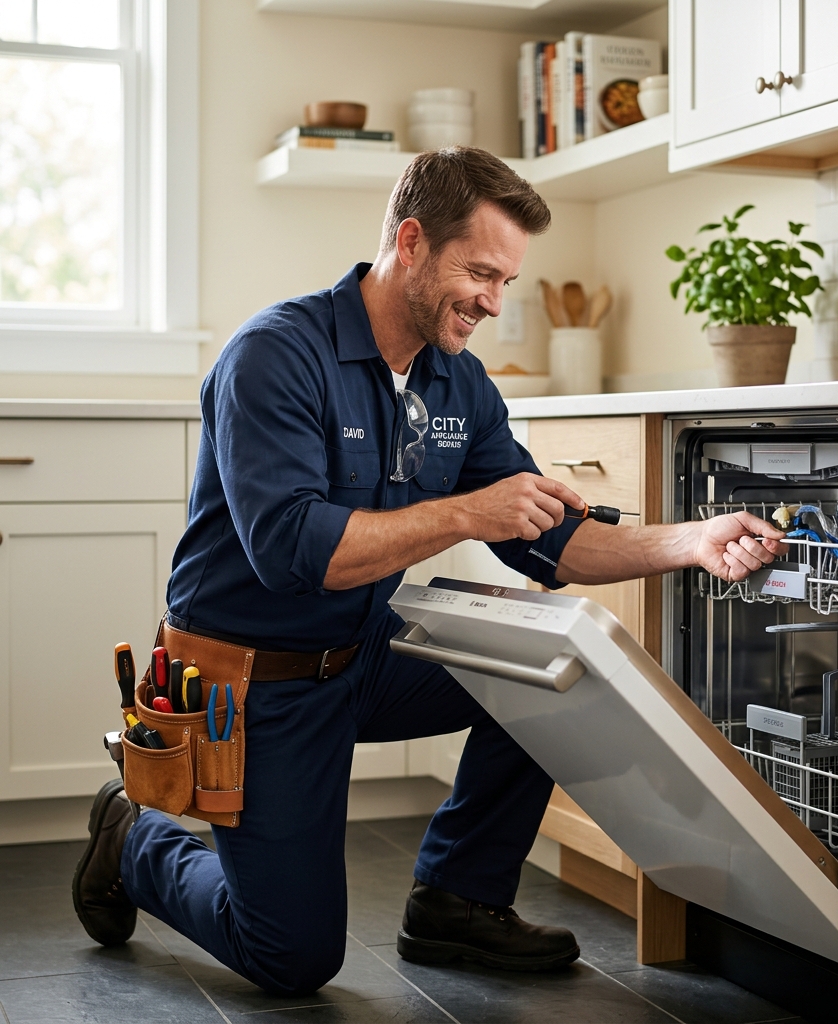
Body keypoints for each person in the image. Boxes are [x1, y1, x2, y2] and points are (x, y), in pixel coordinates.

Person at [72, 147, 785, 996]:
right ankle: (133, 840)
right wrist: (463, 513)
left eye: (506, 280)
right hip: (253, 682)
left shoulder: (458, 383)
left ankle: (457, 902)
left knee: (561, 676)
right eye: (480, 272)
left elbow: (547, 539)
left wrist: (690, 542)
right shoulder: (275, 355)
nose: (493, 300)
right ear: (410, 242)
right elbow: (297, 552)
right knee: (291, 958)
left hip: (362, 652)